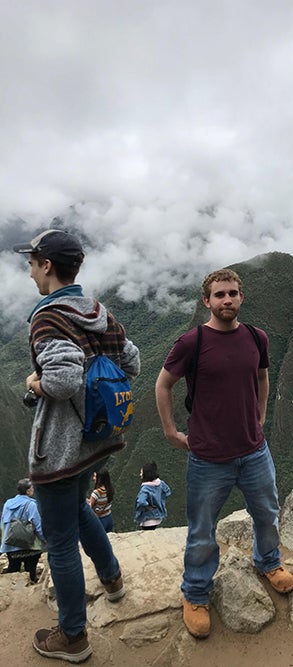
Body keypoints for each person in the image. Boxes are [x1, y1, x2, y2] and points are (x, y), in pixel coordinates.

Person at [13, 229, 140, 663]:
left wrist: (34, 381)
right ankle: (112, 578)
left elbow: (62, 380)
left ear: (47, 266)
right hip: (99, 440)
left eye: (31, 263)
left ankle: (72, 637)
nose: (29, 270)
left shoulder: (48, 318)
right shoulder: (98, 311)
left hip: (62, 449)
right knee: (80, 509)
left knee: (61, 539)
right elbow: (133, 360)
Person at [155, 267, 293, 639]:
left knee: (266, 513)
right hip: (207, 457)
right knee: (202, 530)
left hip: (254, 451)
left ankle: (269, 563)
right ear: (207, 301)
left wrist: (261, 414)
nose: (227, 300)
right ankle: (196, 594)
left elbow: (263, 376)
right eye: (219, 295)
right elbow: (163, 384)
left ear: (241, 297)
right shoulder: (192, 342)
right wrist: (170, 431)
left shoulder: (256, 337)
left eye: (233, 293)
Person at [1, 478, 46, 583]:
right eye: (32, 487)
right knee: (31, 570)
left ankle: (10, 591)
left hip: (10, 544)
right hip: (28, 545)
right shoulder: (31, 505)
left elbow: (3, 522)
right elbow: (37, 524)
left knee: (13, 568)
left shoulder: (8, 503)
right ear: (28, 491)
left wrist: (5, 540)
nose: (33, 489)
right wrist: (44, 539)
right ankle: (30, 589)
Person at [134, 461, 171, 530]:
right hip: (158, 516)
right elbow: (167, 492)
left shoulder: (145, 488)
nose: (140, 474)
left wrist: (148, 506)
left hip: (148, 519)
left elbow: (141, 501)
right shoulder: (161, 483)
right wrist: (159, 500)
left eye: (142, 472)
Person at [88, 467, 115, 533]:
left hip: (100, 520)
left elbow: (89, 507)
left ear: (99, 478)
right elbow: (102, 502)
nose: (93, 478)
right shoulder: (109, 489)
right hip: (109, 518)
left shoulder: (97, 492)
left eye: (95, 476)